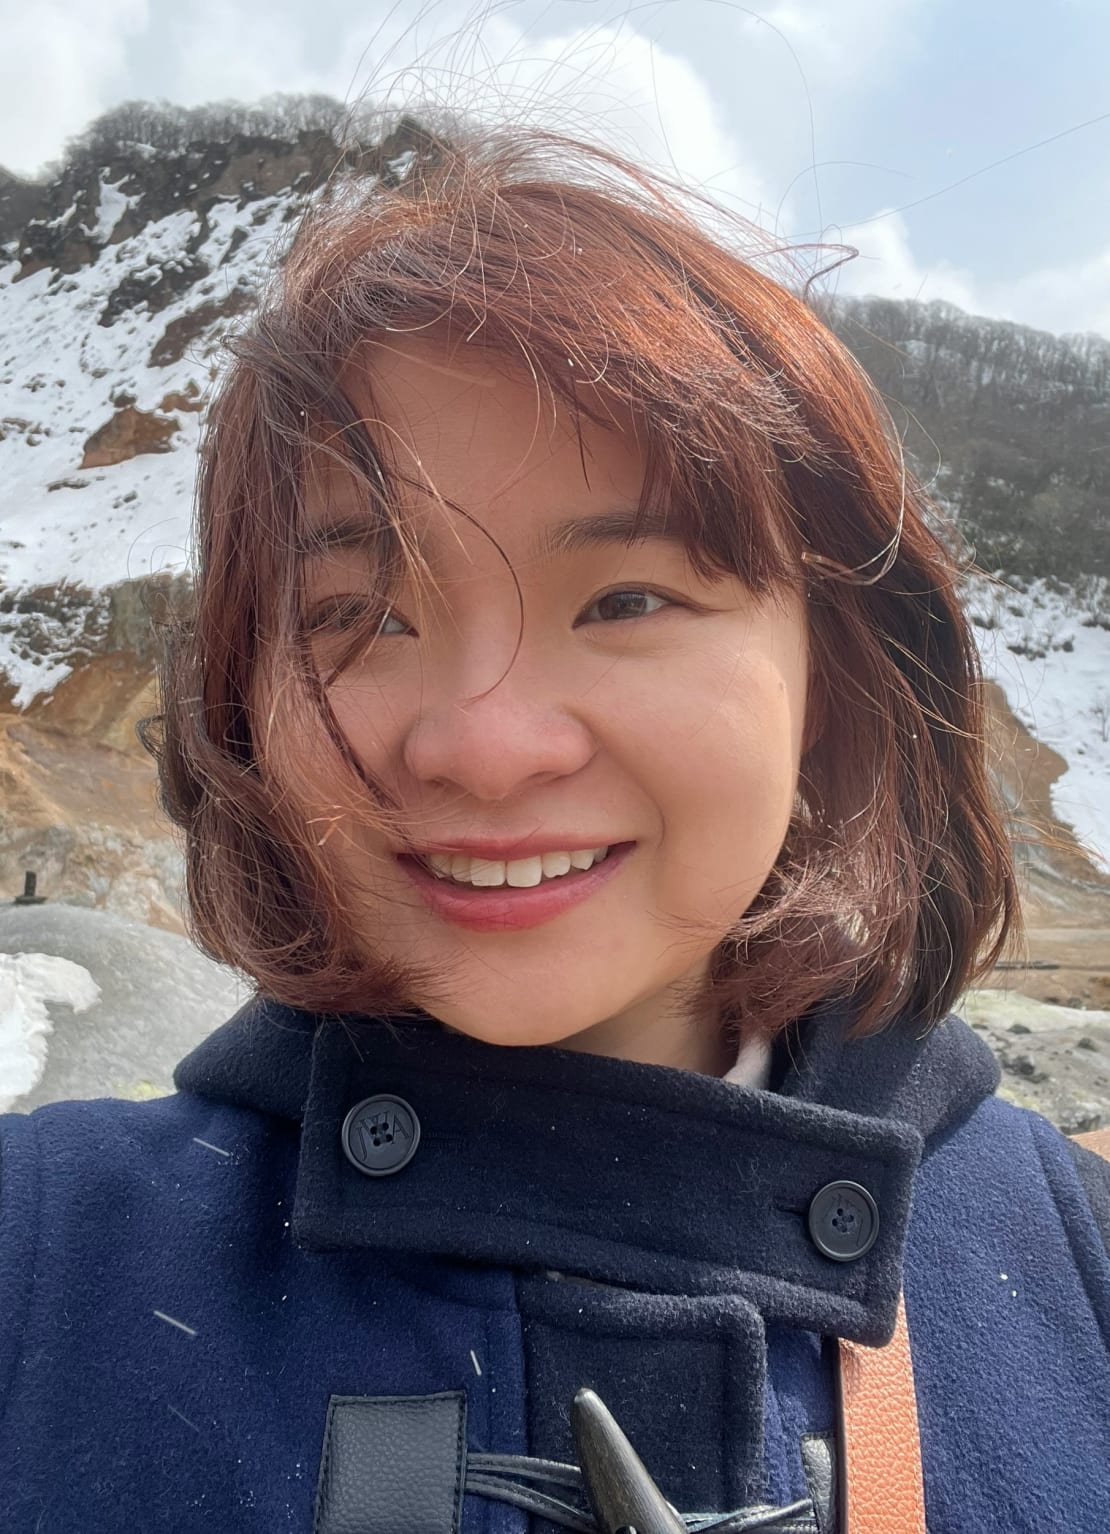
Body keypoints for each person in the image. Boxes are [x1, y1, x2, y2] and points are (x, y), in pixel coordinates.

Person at [1, 117, 1108, 1534]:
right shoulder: (45, 1257)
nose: (481, 742)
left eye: (625, 601)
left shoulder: (1068, 1267)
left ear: (831, 679)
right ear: (242, 702)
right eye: (360, 616)